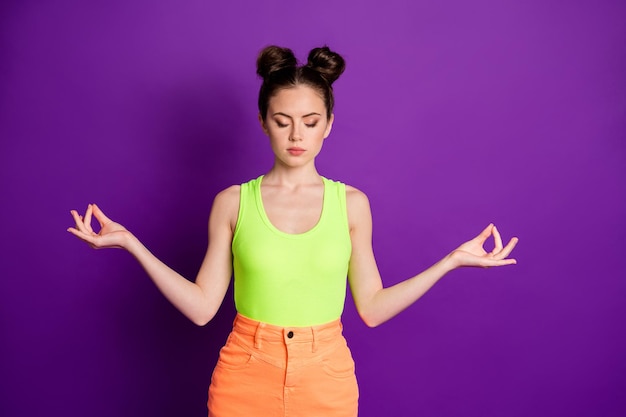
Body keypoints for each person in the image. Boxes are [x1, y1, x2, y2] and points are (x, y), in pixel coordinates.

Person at [67, 45, 518, 417]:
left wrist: (452, 261)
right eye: (282, 122)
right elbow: (203, 307)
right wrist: (129, 243)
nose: (295, 135)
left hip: (326, 377)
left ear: (328, 127)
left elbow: (373, 308)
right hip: (245, 371)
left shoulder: (352, 205)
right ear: (263, 122)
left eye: (310, 122)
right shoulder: (232, 203)